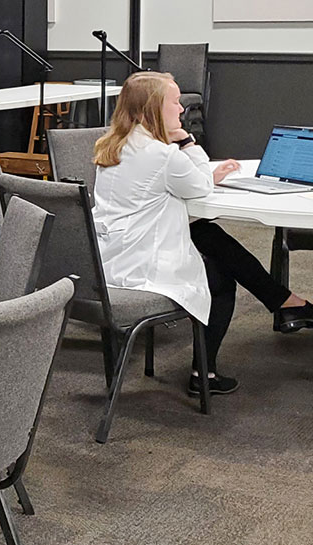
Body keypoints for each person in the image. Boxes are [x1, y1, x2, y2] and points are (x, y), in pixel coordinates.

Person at [93, 71, 313, 395]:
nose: (181, 109)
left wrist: (205, 173)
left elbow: (184, 183)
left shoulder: (115, 145)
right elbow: (198, 186)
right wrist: (186, 140)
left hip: (107, 259)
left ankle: (283, 300)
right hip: (140, 269)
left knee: (208, 234)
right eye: (174, 102)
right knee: (221, 281)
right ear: (155, 108)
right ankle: (204, 376)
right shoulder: (162, 155)